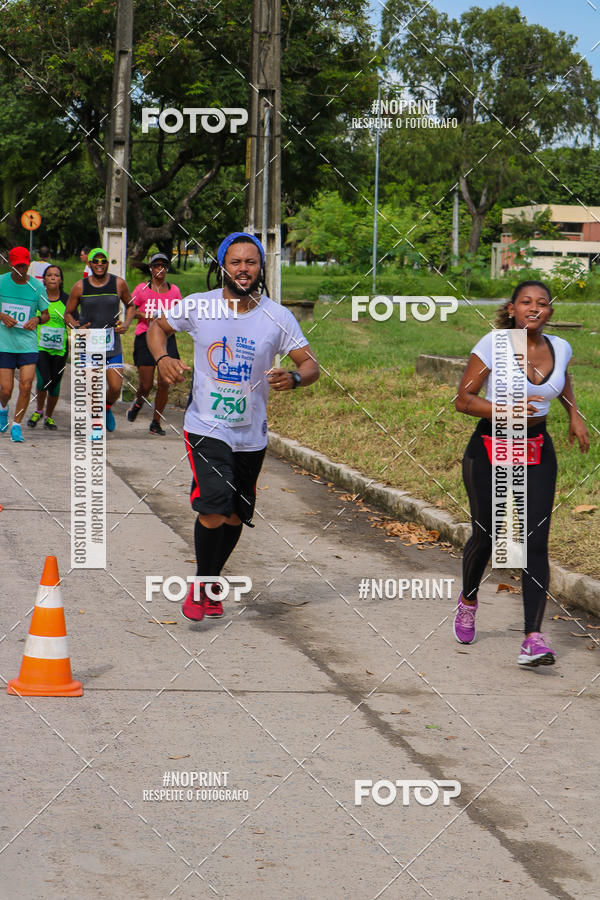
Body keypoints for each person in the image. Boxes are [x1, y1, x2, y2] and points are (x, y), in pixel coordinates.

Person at [147, 232, 319, 622]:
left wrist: (295, 378)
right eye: (236, 262)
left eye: (251, 262)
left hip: (251, 432)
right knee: (214, 504)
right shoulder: (199, 306)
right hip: (206, 423)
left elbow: (311, 365)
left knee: (236, 514)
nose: (244, 269)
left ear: (261, 268)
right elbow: (157, 328)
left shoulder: (278, 316)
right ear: (223, 266)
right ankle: (201, 584)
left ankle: (210, 582)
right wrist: (161, 359)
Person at [454, 280, 589, 666]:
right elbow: (463, 399)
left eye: (542, 303)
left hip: (537, 450)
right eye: (526, 302)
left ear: (549, 312)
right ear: (512, 309)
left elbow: (562, 382)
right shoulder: (492, 345)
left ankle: (532, 636)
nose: (534, 308)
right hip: (490, 448)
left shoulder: (560, 347)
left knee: (535, 540)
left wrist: (573, 415)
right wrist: (506, 411)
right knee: (487, 533)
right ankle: (468, 600)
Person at [64, 247, 135, 432]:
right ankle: (96, 425)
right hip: (88, 344)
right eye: (96, 261)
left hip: (112, 344)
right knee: (92, 388)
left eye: (104, 261)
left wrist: (126, 324)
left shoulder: (118, 284)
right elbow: (68, 314)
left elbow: (131, 305)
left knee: (115, 387)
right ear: (90, 263)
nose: (100, 264)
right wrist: (76, 327)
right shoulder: (80, 286)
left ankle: (107, 408)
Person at [127, 252, 182, 435]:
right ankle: (139, 402)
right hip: (145, 337)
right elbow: (131, 310)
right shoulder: (142, 289)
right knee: (146, 384)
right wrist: (143, 315)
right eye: (157, 265)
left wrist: (170, 324)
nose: (160, 269)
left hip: (167, 338)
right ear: (151, 268)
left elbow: (180, 315)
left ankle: (156, 421)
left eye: (164, 266)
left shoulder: (174, 291)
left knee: (165, 382)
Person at [0, 246, 50, 442]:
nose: (21, 269)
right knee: (5, 389)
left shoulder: (37, 287)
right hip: (5, 343)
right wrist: (2, 315)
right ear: (11, 265)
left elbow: (45, 314)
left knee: (27, 384)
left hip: (27, 344)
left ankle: (17, 425)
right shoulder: (2, 282)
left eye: (24, 265)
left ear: (29, 264)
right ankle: (3, 408)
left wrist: (36, 320)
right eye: (17, 266)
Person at [27, 265, 69, 430]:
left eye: (56, 275)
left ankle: (48, 416)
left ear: (61, 279)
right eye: (49, 275)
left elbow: (74, 318)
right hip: (40, 347)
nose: (52, 278)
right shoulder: (38, 297)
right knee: (44, 380)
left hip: (60, 349)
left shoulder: (67, 299)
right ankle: (38, 410)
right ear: (43, 279)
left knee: (55, 385)